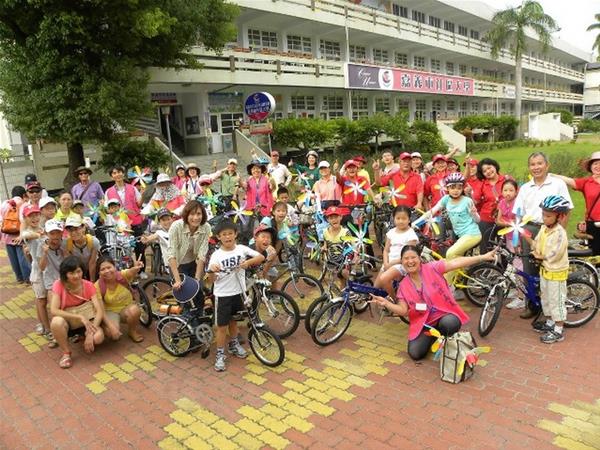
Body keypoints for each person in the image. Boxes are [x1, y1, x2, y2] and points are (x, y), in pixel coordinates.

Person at [370, 245, 496, 361]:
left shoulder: (432, 268)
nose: (410, 261)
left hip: (444, 315)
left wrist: (482, 257)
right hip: (424, 323)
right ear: (402, 262)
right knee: (415, 354)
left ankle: (445, 335)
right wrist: (387, 303)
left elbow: (455, 263)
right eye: (406, 259)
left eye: (413, 257)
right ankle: (434, 336)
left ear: (419, 258)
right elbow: (403, 311)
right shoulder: (403, 286)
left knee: (450, 324)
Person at [513, 152, 572, 319]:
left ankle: (554, 307)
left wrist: (560, 230)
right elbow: (518, 213)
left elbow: (567, 208)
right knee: (529, 269)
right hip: (530, 230)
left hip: (552, 229)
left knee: (550, 266)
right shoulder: (525, 188)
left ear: (547, 165)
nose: (536, 167)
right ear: (529, 167)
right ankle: (532, 305)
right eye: (532, 164)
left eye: (539, 163)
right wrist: (517, 236)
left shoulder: (557, 184)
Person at [207, 220, 265, 372]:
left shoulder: (241, 249)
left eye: (230, 234)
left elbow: (261, 257)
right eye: (224, 235)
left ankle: (233, 344)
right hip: (223, 295)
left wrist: (248, 263)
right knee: (221, 327)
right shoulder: (216, 255)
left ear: (236, 234)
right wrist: (212, 270)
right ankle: (220, 354)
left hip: (239, 292)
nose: (227, 237)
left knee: (234, 322)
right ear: (219, 237)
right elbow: (210, 281)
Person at [417, 172, 481, 285]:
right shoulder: (446, 199)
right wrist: (415, 223)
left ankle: (446, 285)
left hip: (472, 234)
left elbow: (478, 221)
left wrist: (474, 214)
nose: (455, 190)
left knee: (450, 254)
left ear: (462, 188)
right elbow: (431, 212)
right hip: (460, 236)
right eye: (452, 187)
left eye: (459, 187)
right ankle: (457, 284)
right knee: (454, 259)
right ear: (447, 188)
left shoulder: (467, 201)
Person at [523, 196, 571, 344]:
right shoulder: (544, 229)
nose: (544, 218)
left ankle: (558, 330)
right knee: (546, 298)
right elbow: (537, 244)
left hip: (556, 271)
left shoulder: (560, 233)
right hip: (545, 270)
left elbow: (556, 253)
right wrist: (528, 239)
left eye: (548, 216)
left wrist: (541, 257)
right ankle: (550, 322)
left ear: (560, 216)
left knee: (556, 301)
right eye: (543, 214)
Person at [49, 256, 106, 368]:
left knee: (98, 338)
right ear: (65, 274)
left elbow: (99, 311)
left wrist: (90, 333)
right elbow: (54, 310)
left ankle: (83, 335)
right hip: (70, 321)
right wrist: (79, 317)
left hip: (88, 321)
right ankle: (66, 353)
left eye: (78, 271)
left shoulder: (89, 285)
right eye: (71, 273)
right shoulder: (59, 284)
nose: (76, 276)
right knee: (56, 322)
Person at [553, 151, 600, 255]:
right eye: (595, 163)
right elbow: (569, 181)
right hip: (593, 224)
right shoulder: (586, 182)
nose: (598, 166)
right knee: (595, 255)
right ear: (591, 166)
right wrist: (551, 175)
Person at [167, 200, 211, 304]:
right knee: (184, 294)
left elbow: (202, 253)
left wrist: (197, 278)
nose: (195, 218)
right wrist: (177, 280)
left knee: (198, 291)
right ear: (186, 214)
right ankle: (185, 317)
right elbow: (171, 252)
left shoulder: (206, 227)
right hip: (177, 264)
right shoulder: (176, 226)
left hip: (193, 263)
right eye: (192, 214)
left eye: (198, 214)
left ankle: (199, 314)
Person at [20, 204, 53, 342]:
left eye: (36, 215)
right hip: (37, 271)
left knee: (50, 299)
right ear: (25, 219)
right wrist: (40, 234)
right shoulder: (27, 233)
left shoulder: (43, 228)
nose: (34, 218)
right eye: (30, 216)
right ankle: (47, 328)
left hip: (48, 269)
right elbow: (26, 235)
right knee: (41, 300)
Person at [105, 165, 146, 273]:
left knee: (139, 247)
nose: (117, 174)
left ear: (123, 174)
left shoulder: (132, 188)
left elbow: (139, 203)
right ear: (111, 176)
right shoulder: (108, 192)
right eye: (114, 173)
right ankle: (126, 270)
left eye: (119, 172)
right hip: (120, 225)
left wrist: (142, 195)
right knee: (123, 248)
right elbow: (107, 209)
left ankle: (141, 270)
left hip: (135, 220)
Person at [95, 255, 145, 343]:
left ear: (114, 267)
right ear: (99, 272)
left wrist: (136, 268)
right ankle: (104, 326)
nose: (107, 271)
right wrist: (111, 327)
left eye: (109, 267)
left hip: (126, 308)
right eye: (102, 269)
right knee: (112, 335)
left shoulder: (121, 276)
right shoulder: (97, 286)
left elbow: (130, 272)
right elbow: (101, 310)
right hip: (110, 311)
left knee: (134, 311)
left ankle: (132, 331)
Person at [496, 179, 525, 310]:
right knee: (513, 263)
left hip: (517, 238)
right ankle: (518, 290)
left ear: (516, 191)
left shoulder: (518, 202)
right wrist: (510, 223)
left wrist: (509, 223)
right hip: (508, 238)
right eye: (505, 190)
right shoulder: (502, 203)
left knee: (519, 267)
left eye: (511, 190)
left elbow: (520, 221)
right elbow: (498, 220)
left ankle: (521, 297)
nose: (508, 193)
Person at [472, 158, 507, 253]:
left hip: (505, 219)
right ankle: (486, 267)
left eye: (489, 167)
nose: (488, 171)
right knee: (485, 247)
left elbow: (516, 194)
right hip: (486, 219)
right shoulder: (482, 183)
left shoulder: (506, 179)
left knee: (505, 248)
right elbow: (475, 200)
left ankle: (502, 267)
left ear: (494, 166)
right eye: (484, 171)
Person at [1, 185, 29, 283]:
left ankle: (19, 277)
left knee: (13, 258)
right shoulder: (23, 204)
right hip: (18, 234)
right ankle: (27, 277)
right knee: (22, 257)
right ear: (23, 194)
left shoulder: (4, 204)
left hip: (7, 235)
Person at [380, 205, 418, 273]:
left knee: (385, 278)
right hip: (389, 263)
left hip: (402, 264)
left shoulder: (411, 235)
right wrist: (385, 263)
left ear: (409, 220)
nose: (401, 221)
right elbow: (386, 250)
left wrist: (391, 264)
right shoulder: (390, 232)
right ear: (394, 219)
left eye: (404, 219)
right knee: (378, 282)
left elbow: (409, 256)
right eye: (398, 218)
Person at [64, 216, 100, 281]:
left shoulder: (94, 242)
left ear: (83, 228)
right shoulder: (66, 244)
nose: (73, 233)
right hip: (77, 271)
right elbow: (70, 264)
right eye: (70, 230)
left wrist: (92, 282)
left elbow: (92, 263)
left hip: (92, 270)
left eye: (76, 229)